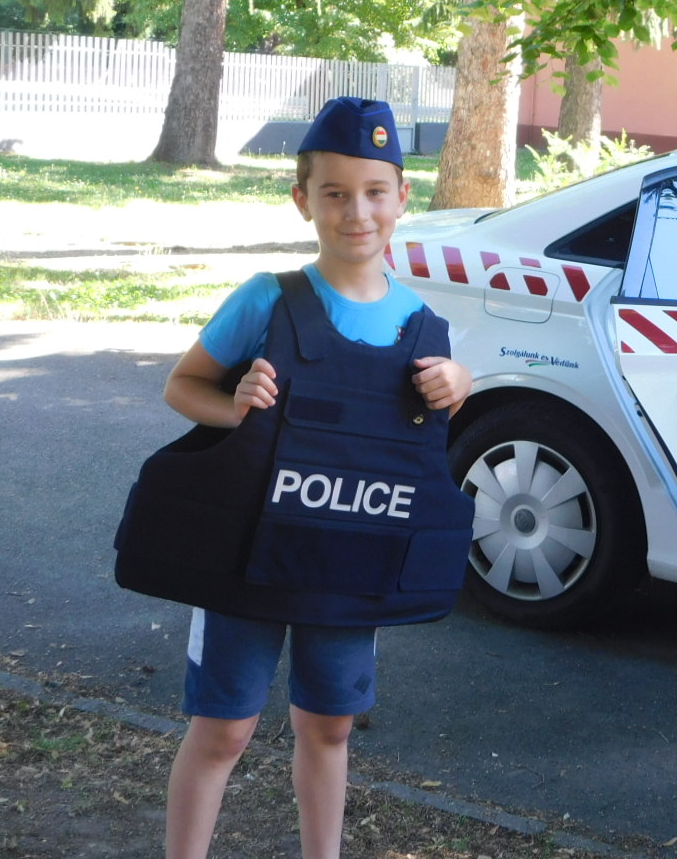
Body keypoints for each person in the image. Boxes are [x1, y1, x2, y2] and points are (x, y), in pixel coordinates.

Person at [157, 97, 470, 859]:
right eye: (334, 193)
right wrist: (235, 406)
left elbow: (420, 443)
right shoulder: (267, 300)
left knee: (329, 725)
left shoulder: (424, 329)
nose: (356, 212)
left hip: (349, 564)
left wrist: (460, 386)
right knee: (224, 729)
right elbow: (182, 386)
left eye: (374, 192)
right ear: (303, 200)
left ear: (402, 197)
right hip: (247, 560)